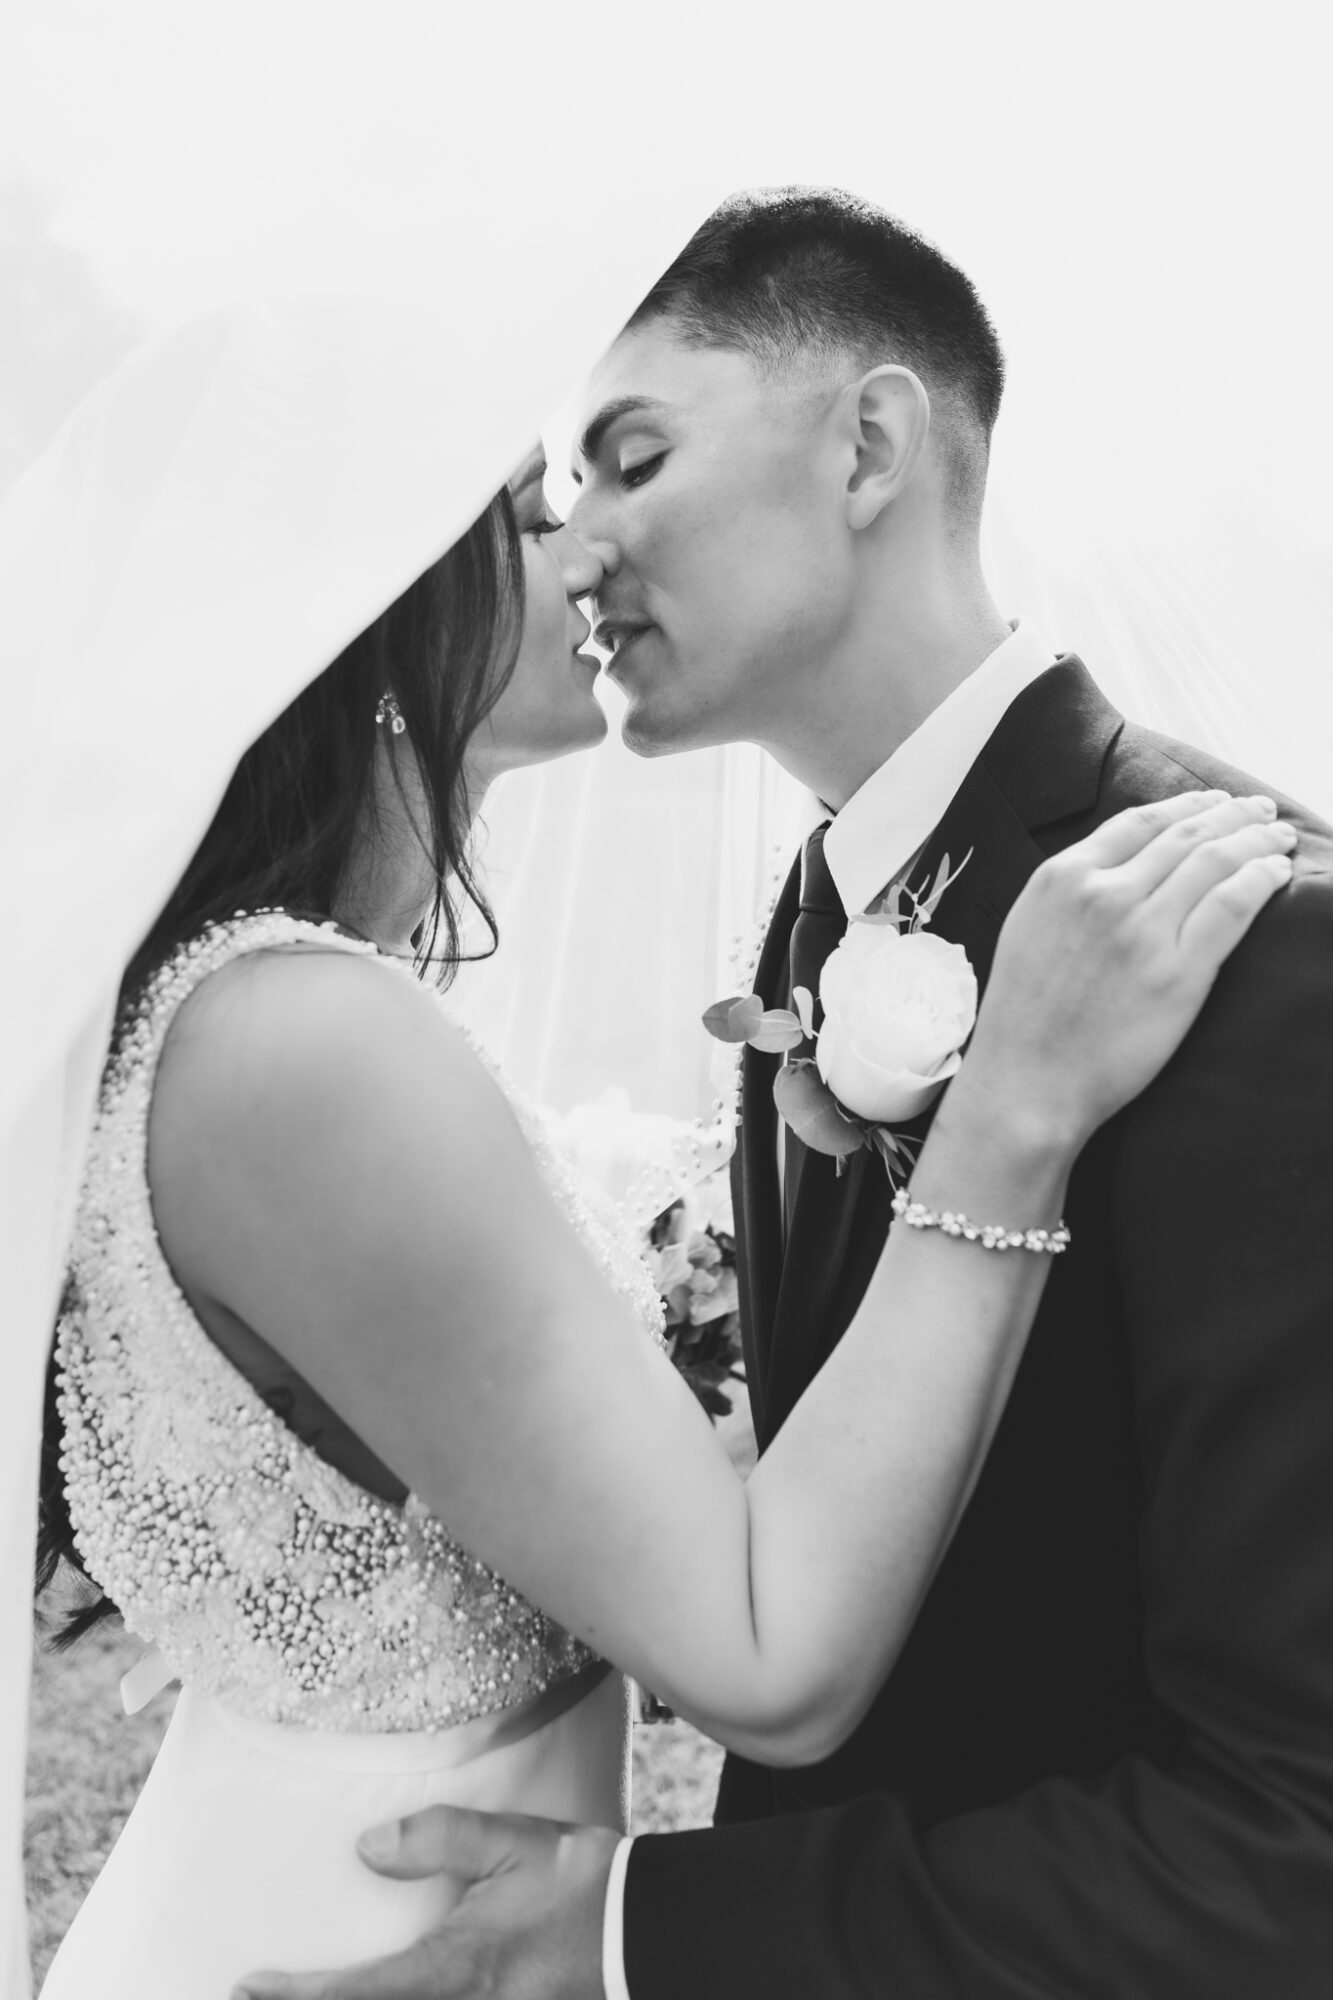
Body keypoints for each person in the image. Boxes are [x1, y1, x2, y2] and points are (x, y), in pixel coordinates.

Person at [34, 289, 1289, 1992]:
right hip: (338, 1935)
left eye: (619, 471)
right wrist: (1002, 1120)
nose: (588, 551)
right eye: (538, 507)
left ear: (868, 449)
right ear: (361, 598)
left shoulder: (1246, 945)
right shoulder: (298, 1039)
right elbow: (772, 1650)